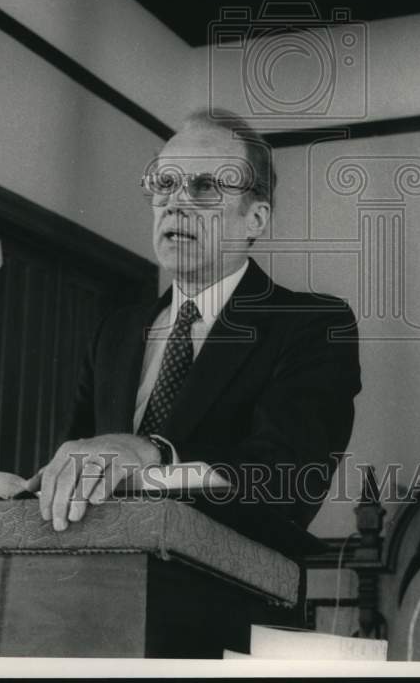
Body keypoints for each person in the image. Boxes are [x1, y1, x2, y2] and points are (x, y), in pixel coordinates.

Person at [26, 109, 361, 552]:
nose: (175, 203)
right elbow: (81, 462)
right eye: (164, 183)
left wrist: (153, 450)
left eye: (204, 186)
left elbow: (287, 480)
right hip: (102, 580)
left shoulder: (312, 325)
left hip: (231, 599)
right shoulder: (116, 332)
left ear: (255, 219)